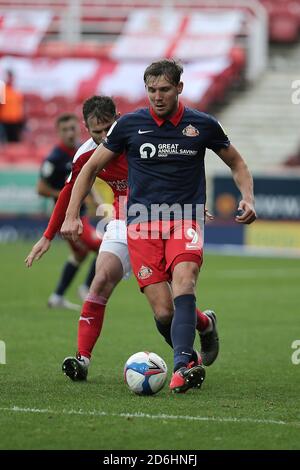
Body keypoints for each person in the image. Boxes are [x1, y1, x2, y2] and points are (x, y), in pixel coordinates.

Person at [60, 59, 255, 394]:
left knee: (184, 282)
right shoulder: (130, 126)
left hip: (184, 218)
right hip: (141, 226)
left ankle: (182, 366)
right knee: (164, 311)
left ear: (179, 88)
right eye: (151, 90)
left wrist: (248, 196)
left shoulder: (201, 124)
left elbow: (236, 161)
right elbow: (89, 169)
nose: (157, 96)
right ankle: (204, 326)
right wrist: (71, 214)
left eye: (165, 89)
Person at [25, 95, 217, 382]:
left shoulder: (137, 139)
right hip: (121, 223)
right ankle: (82, 359)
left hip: (162, 221)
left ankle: (204, 324)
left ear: (117, 118)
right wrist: (48, 235)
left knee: (166, 307)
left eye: (107, 129)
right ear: (86, 128)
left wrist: (190, 203)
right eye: (96, 131)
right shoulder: (88, 154)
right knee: (100, 279)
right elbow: (69, 190)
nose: (103, 137)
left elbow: (177, 169)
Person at [37, 112, 100, 310]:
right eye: (65, 130)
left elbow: (86, 178)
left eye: (72, 128)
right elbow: (41, 189)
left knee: (80, 256)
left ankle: (57, 297)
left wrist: (95, 198)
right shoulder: (54, 158)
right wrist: (67, 193)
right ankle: (87, 288)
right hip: (66, 218)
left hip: (80, 215)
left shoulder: (81, 151)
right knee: (103, 247)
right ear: (58, 132)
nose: (70, 133)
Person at [0, 70, 25, 142]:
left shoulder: (17, 90)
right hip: (4, 120)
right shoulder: (2, 90)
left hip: (16, 120)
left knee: (14, 142)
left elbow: (21, 105)